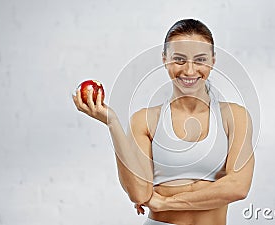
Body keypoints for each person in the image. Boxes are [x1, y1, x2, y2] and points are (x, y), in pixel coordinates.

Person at [72, 18, 255, 225]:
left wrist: (165, 202)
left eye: (200, 60)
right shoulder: (145, 120)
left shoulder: (234, 116)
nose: (189, 71)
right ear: (164, 59)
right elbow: (140, 194)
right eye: (179, 59)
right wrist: (112, 123)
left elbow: (238, 187)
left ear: (213, 61)